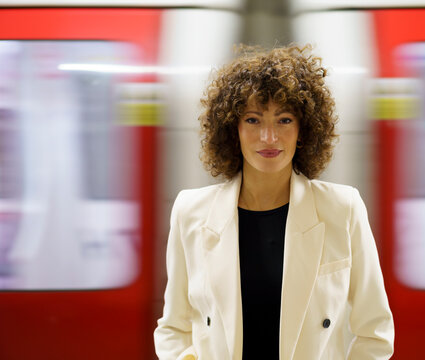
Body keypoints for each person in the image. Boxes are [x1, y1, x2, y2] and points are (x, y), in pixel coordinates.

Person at [154, 44, 394, 360]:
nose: (269, 137)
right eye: (253, 120)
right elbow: (174, 328)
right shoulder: (190, 212)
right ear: (232, 129)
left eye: (283, 120)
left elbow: (375, 332)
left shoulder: (342, 209)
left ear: (303, 129)